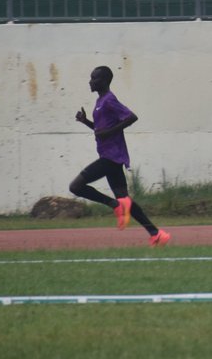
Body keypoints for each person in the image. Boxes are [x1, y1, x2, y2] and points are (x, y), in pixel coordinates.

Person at [69, 65, 170, 247]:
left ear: (104, 81)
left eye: (94, 78)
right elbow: (101, 131)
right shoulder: (100, 102)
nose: (90, 81)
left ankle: (114, 205)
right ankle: (156, 234)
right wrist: (85, 122)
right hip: (111, 157)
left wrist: (109, 132)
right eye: (91, 78)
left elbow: (131, 117)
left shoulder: (109, 100)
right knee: (125, 199)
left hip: (111, 157)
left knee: (76, 186)